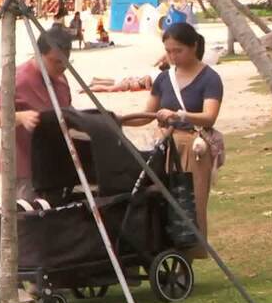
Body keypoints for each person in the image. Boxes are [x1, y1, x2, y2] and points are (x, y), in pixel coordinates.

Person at [122, 22, 224, 246]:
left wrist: (180, 115)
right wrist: (118, 120)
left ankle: (190, 253)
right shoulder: (163, 78)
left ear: (194, 46)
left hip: (193, 149)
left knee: (191, 204)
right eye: (168, 51)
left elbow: (209, 117)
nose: (173, 56)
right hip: (164, 147)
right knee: (160, 203)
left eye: (178, 50)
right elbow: (147, 115)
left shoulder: (210, 78)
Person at [0, 26, 73, 199]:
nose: (62, 66)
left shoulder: (61, 79)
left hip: (54, 165)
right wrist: (20, 117)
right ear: (39, 55)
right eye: (56, 61)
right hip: (24, 170)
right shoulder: (19, 79)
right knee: (27, 213)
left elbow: (67, 110)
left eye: (66, 60)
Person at [87, 74, 153, 93]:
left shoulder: (148, 77)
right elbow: (148, 89)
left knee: (111, 83)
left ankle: (94, 82)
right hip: (127, 84)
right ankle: (88, 89)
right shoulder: (148, 78)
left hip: (127, 83)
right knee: (108, 88)